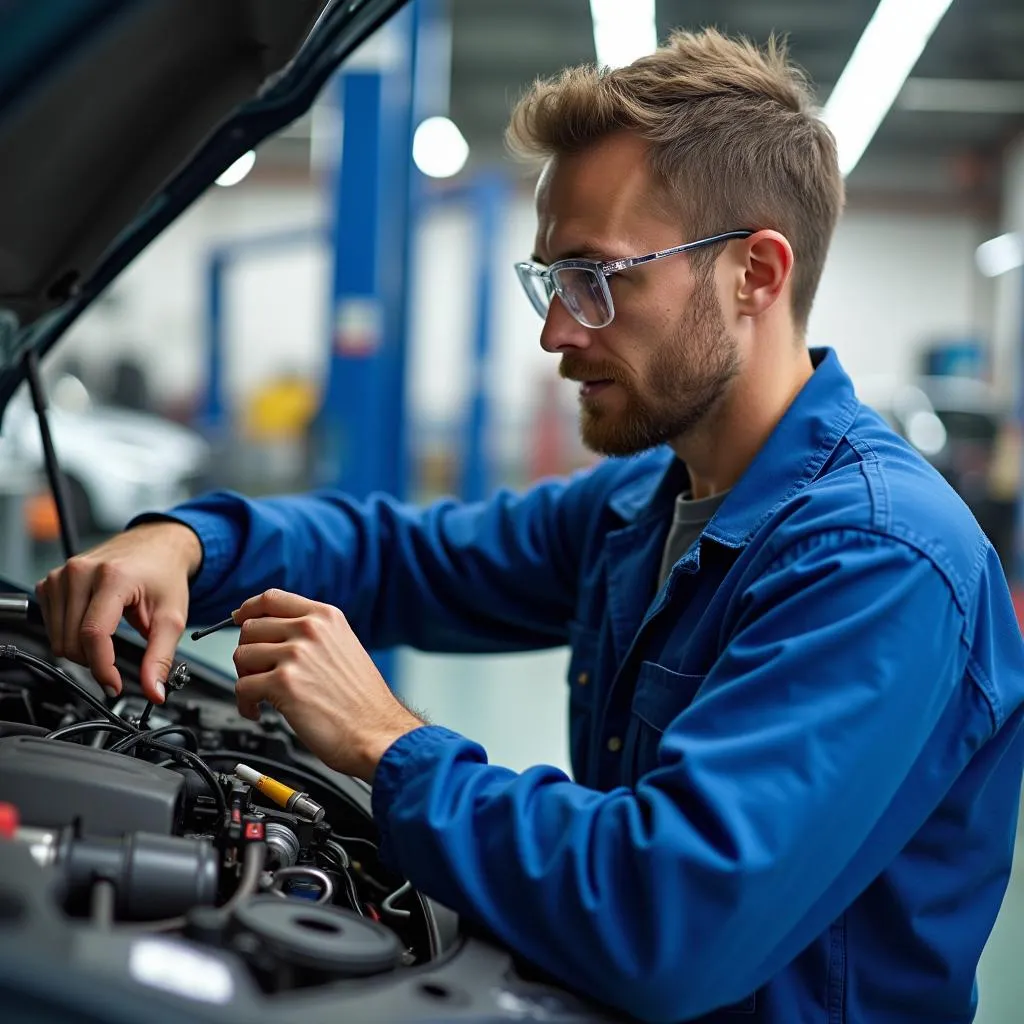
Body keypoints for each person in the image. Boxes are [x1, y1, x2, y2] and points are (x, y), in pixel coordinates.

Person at [36, 28, 1024, 1024]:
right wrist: (196, 542)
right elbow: (411, 555)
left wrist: (389, 740)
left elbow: (664, 914)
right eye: (549, 280)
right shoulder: (644, 502)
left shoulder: (878, 561)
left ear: (755, 275)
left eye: (596, 278)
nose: (556, 330)